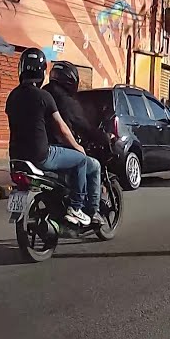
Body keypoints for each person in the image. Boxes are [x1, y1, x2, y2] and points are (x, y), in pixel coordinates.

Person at [5, 49, 94, 227]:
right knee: (81, 160)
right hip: (41, 155)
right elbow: (62, 129)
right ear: (42, 71)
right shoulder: (44, 97)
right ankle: (76, 208)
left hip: (16, 157)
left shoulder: (12, 96)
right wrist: (77, 147)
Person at [43, 61, 105, 225]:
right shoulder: (65, 100)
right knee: (91, 164)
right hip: (54, 150)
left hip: (36, 149)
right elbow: (81, 126)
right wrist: (103, 137)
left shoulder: (43, 93)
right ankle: (89, 210)